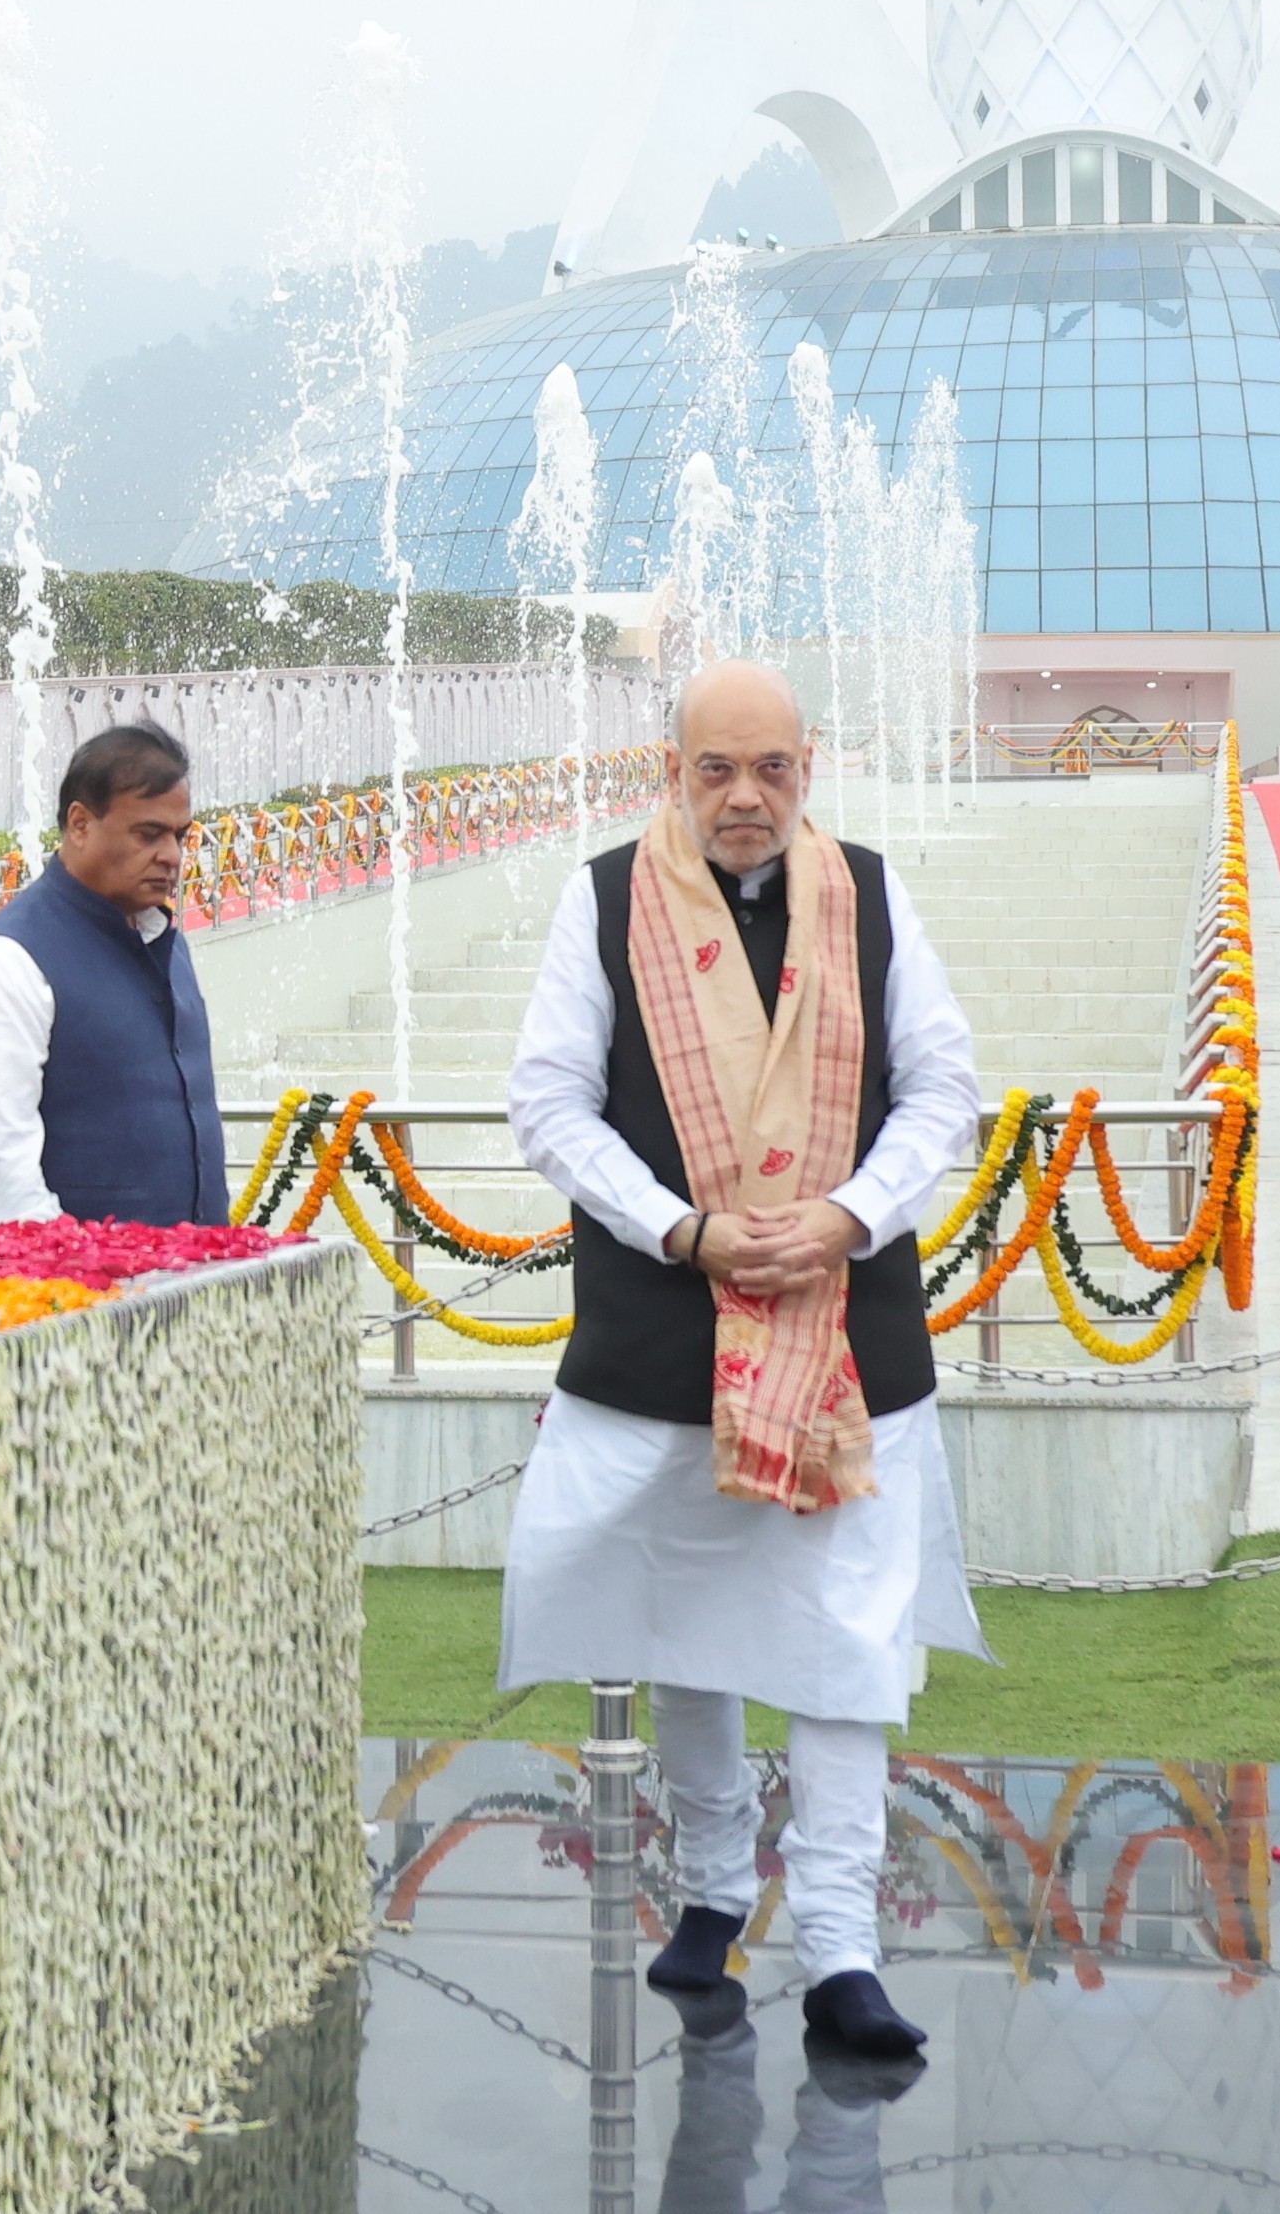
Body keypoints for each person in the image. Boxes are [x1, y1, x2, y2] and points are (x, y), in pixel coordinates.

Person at [499, 660, 985, 2071]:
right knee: (685, 1618)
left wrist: (847, 1215)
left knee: (845, 1639)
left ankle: (840, 1942)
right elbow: (548, 1101)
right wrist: (682, 1228)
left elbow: (942, 1088)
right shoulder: (604, 899)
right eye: (715, 768)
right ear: (673, 771)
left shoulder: (868, 895)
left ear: (807, 766)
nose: (744, 796)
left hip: (844, 1331)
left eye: (770, 767)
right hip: (668, 1318)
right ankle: (713, 1887)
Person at [0, 722, 223, 1224]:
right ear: (80, 824)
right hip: (87, 1274)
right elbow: (9, 1187)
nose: (172, 855)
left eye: (179, 835)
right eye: (149, 834)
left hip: (205, 1269)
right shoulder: (5, 963)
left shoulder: (166, 942)